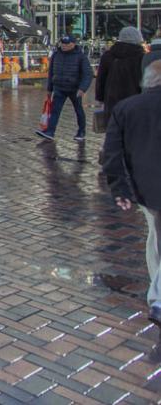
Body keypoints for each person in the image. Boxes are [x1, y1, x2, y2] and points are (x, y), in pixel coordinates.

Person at [104, 60, 161, 333]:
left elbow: (112, 154)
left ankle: (157, 291)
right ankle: (158, 297)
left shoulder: (126, 109)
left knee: (155, 236)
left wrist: (120, 190)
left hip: (147, 190)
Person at [36, 34, 93, 141]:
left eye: (67, 44)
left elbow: (88, 74)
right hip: (59, 87)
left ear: (73, 44)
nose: (64, 46)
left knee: (79, 110)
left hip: (74, 89)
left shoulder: (81, 57)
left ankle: (81, 132)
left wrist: (82, 88)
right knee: (55, 111)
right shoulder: (56, 55)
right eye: (63, 43)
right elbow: (51, 72)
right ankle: (50, 131)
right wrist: (49, 88)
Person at [96, 26, 145, 133]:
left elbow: (101, 79)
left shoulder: (108, 56)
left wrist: (100, 98)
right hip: (135, 100)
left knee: (114, 131)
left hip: (112, 100)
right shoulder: (142, 57)